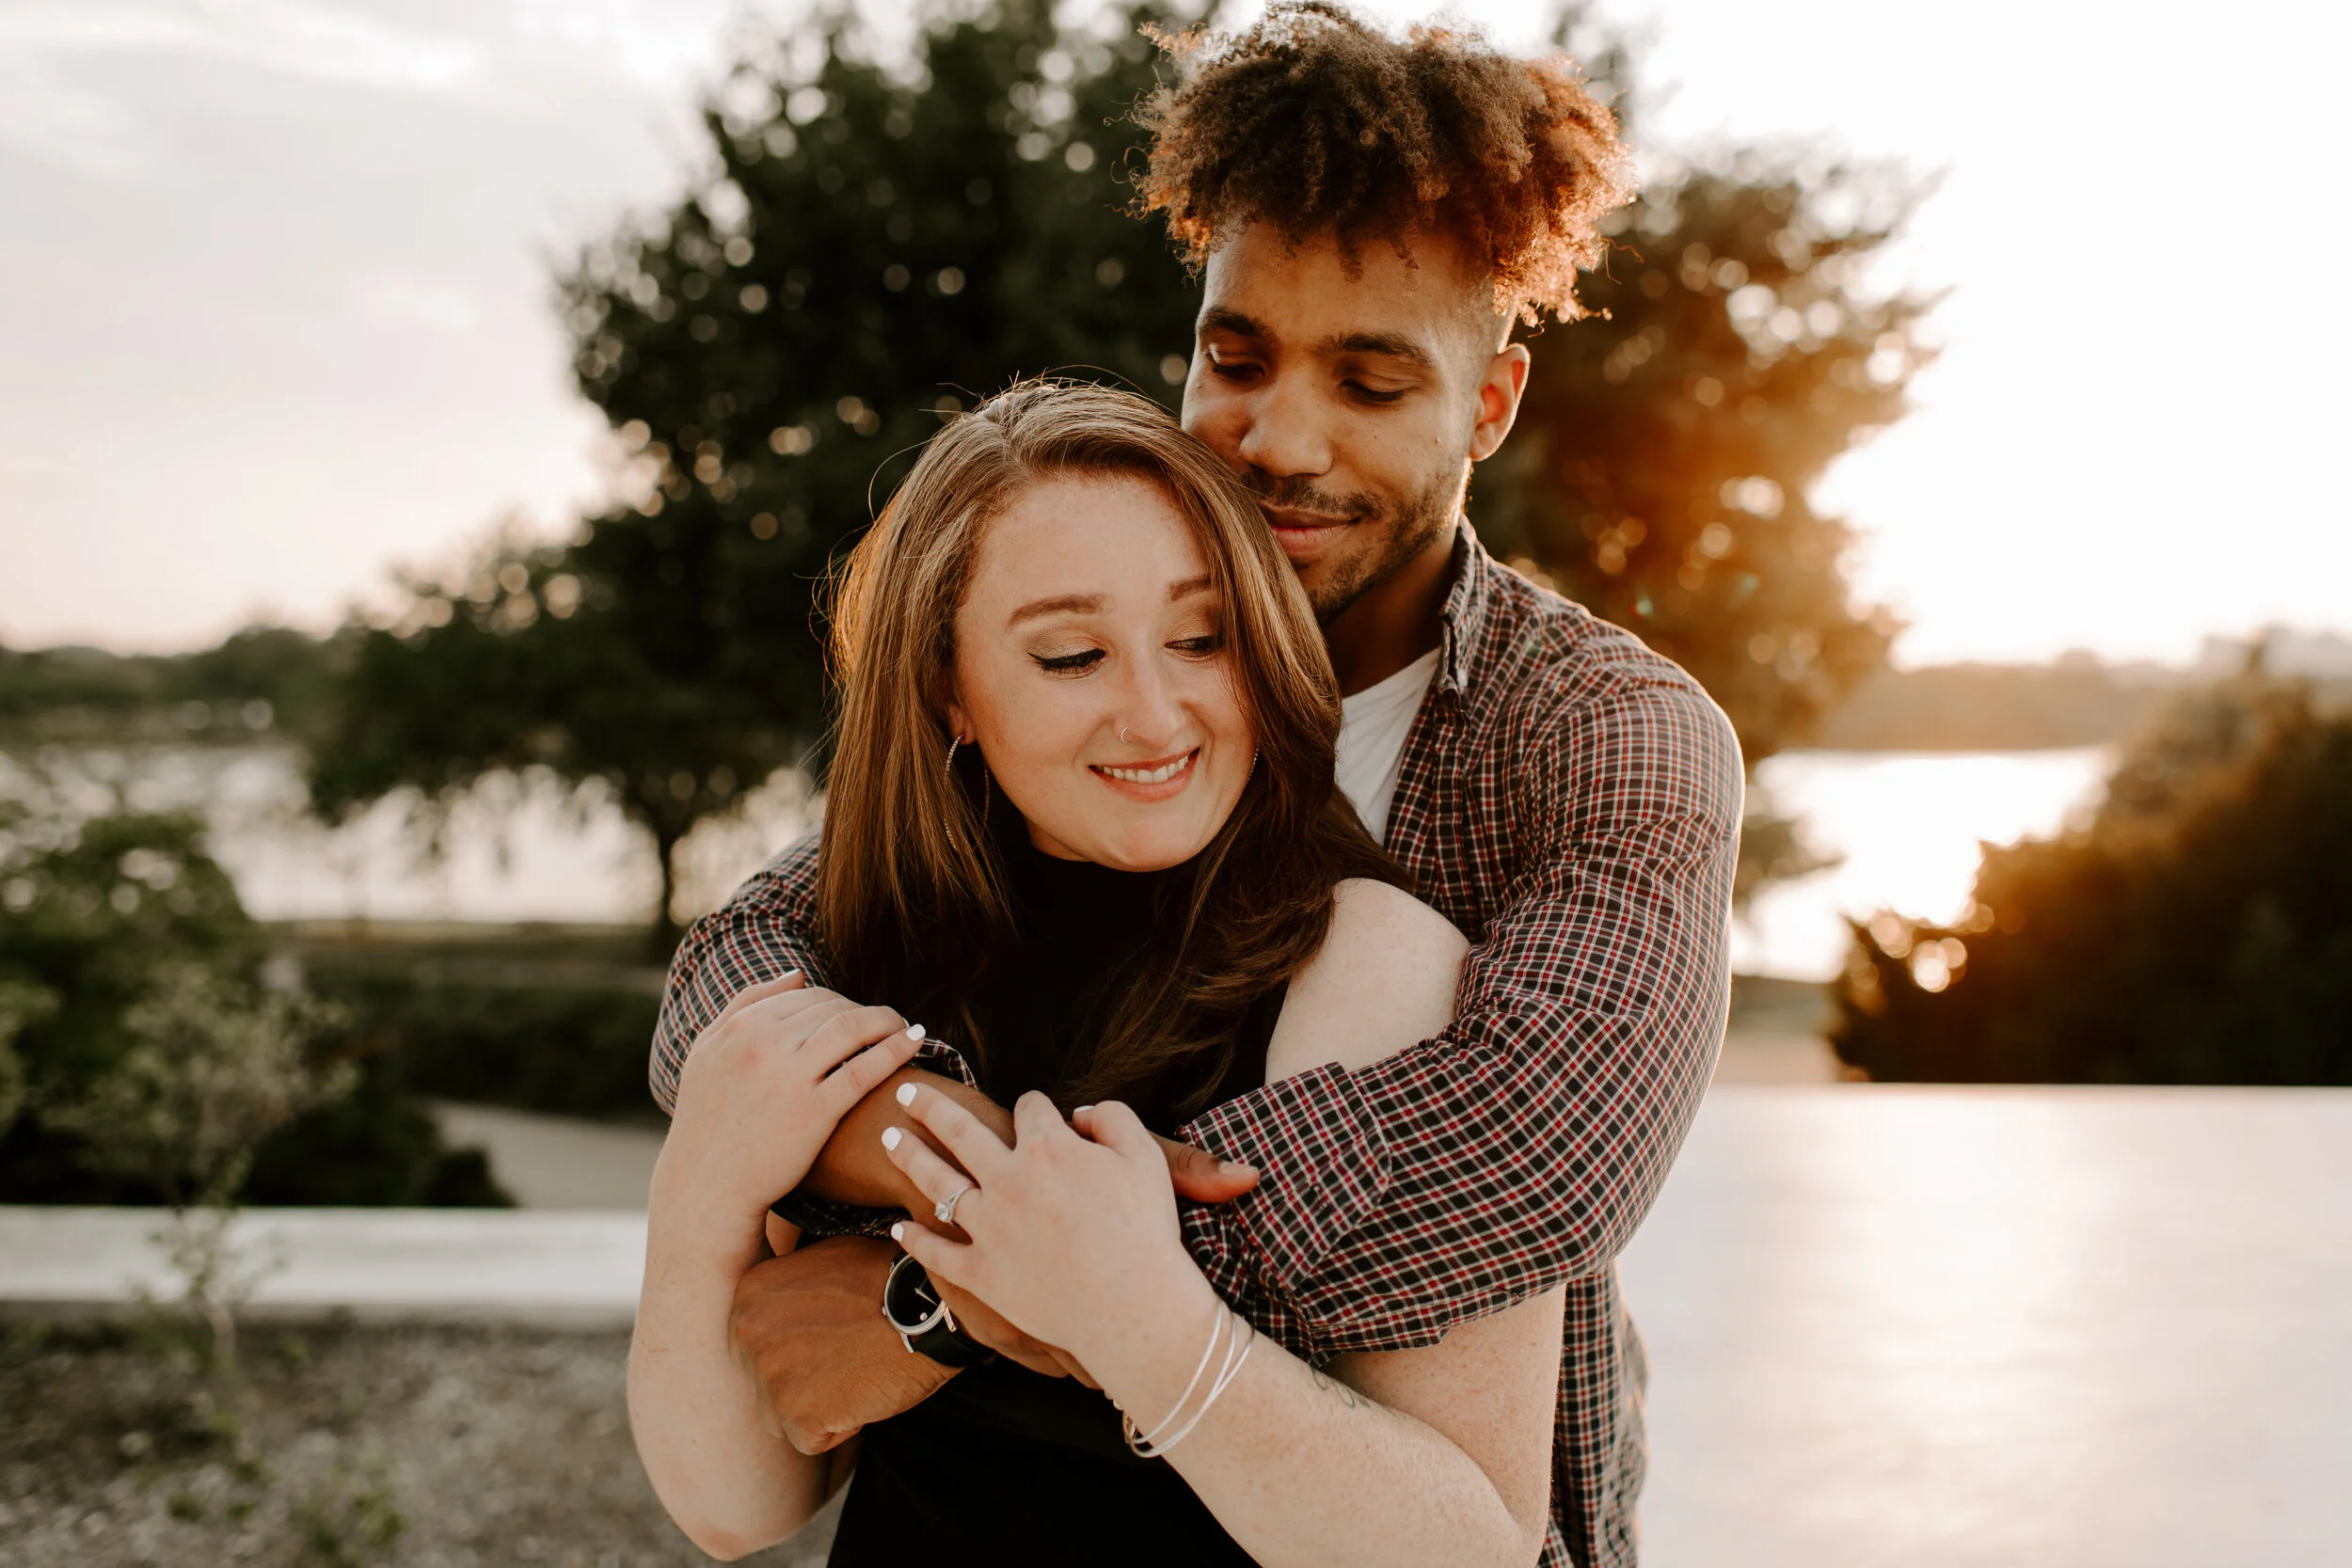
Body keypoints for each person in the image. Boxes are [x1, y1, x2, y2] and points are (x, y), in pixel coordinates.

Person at [651, 7, 1744, 1565]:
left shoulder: (1604, 732)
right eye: (1236, 357)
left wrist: (960, 1291)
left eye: (1371, 383)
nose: (1274, 437)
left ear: (1489, 405)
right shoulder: (1068, 657)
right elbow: (742, 983)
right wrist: (981, 1186)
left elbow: (1533, 1146)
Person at [631, 380, 1565, 1564]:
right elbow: (739, 1504)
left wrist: (1125, 1316)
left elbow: (1472, 1549)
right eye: (1072, 655)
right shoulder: (867, 961)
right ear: (946, 691)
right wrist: (699, 1196)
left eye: (1199, 636)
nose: (1154, 710)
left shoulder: (1372, 963)